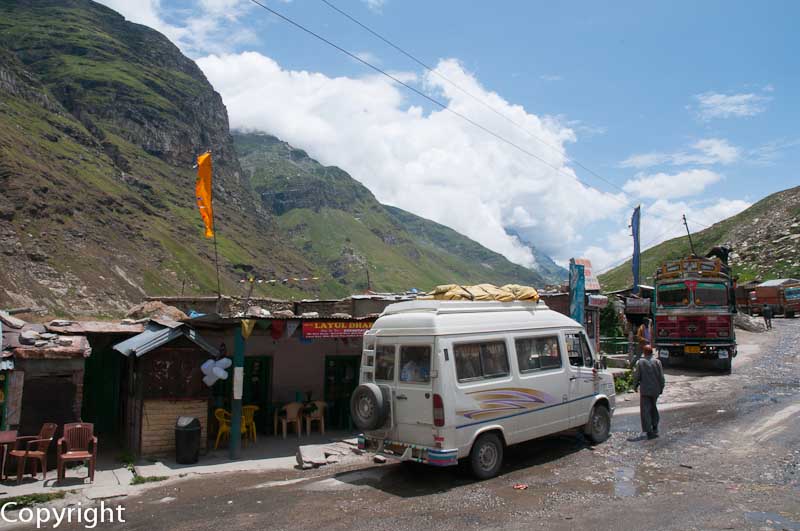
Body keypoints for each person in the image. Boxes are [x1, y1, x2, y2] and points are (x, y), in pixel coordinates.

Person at [633, 345, 665, 439]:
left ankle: (648, 430)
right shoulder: (657, 362)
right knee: (653, 407)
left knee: (645, 410)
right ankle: (655, 426)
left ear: (645, 352)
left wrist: (634, 386)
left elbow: (637, 376)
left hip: (645, 390)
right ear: (652, 352)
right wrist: (661, 388)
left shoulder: (641, 362)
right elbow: (661, 377)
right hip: (655, 390)